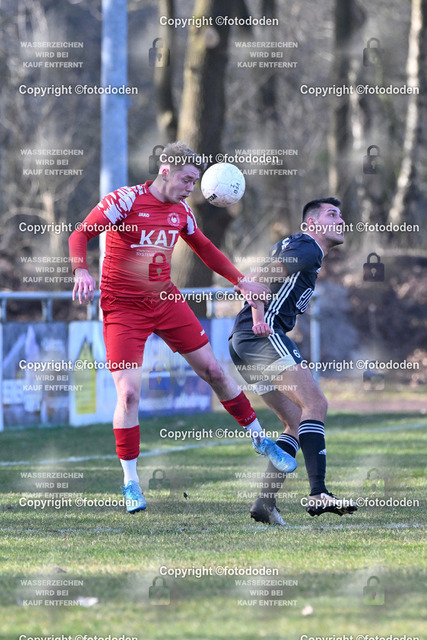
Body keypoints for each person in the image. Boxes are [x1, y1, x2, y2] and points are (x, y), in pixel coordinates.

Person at [68, 141, 296, 513]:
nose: (192, 188)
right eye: (187, 180)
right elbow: (79, 234)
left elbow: (205, 248)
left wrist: (240, 281)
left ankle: (260, 439)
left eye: (195, 181)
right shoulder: (124, 201)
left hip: (166, 301)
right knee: (128, 395)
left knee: (214, 371)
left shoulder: (181, 211)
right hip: (123, 308)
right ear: (165, 171)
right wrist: (81, 270)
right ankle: (131, 482)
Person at [229, 197, 358, 525]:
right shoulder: (309, 247)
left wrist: (256, 315)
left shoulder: (299, 247)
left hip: (242, 343)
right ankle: (318, 493)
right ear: (312, 223)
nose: (340, 221)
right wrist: (260, 319)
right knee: (316, 404)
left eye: (341, 215)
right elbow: (259, 277)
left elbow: (258, 277)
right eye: (332, 215)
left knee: (297, 422)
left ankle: (265, 502)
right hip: (260, 337)